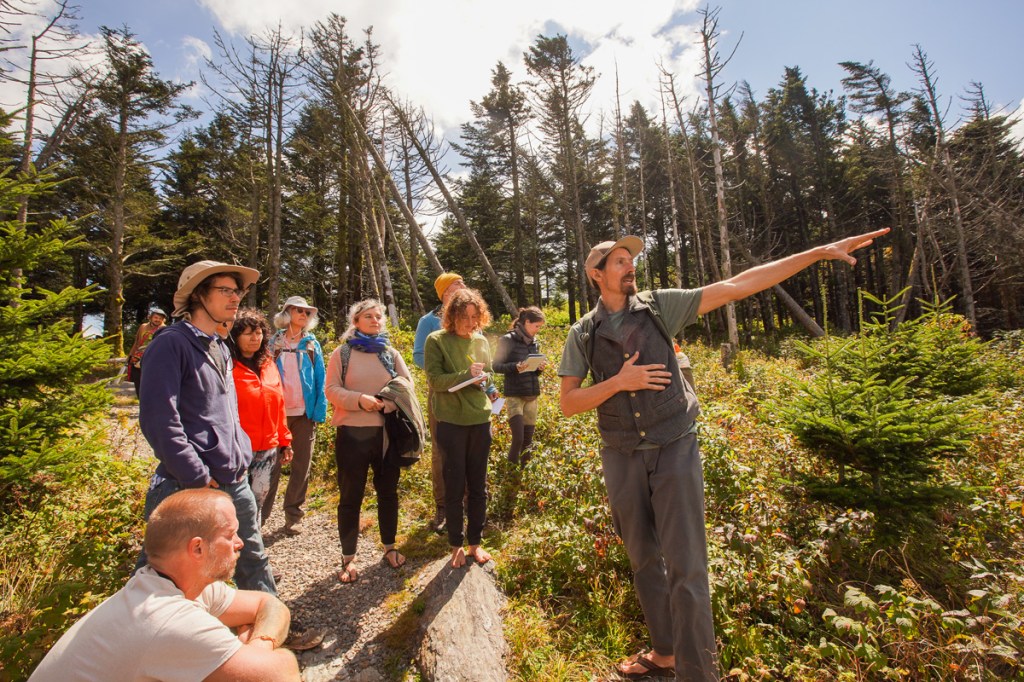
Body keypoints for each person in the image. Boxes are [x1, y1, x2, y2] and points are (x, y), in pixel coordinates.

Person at [558, 229, 889, 681]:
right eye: (618, 261)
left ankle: (699, 674)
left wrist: (814, 253)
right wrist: (619, 382)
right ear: (596, 274)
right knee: (643, 560)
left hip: (674, 446)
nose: (630, 265)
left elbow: (737, 285)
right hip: (621, 454)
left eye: (630, 259)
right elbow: (568, 402)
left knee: (687, 566)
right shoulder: (582, 332)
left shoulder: (659, 306)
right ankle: (665, 653)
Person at [31, 489, 300, 682]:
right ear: (197, 548)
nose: (239, 543)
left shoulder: (165, 586)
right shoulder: (167, 620)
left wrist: (257, 645)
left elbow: (269, 604)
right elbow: (280, 674)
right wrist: (259, 653)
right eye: (230, 535)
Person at [137, 260, 276, 595]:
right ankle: (143, 631)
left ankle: (271, 620)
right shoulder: (170, 343)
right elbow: (159, 419)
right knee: (162, 577)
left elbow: (226, 413)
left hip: (234, 477)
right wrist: (195, 474)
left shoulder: (219, 346)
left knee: (253, 558)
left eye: (237, 291)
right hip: (186, 485)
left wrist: (241, 452)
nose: (235, 298)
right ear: (199, 295)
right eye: (225, 290)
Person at [325, 299, 415, 583]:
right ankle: (348, 557)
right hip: (351, 435)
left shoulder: (390, 353)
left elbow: (407, 386)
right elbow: (331, 390)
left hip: (387, 435)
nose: (375, 320)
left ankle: (390, 547)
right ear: (355, 322)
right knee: (350, 496)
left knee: (388, 492)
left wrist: (387, 404)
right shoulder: (342, 353)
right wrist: (359, 400)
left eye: (378, 316)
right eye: (368, 316)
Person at [423, 287, 500, 568]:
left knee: (478, 485)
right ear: (452, 315)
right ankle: (456, 545)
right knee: (455, 486)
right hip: (451, 422)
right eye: (464, 317)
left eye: (475, 317)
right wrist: (466, 375)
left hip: (480, 420)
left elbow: (488, 373)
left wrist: (488, 385)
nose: (470, 323)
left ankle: (475, 544)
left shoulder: (480, 340)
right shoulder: (437, 340)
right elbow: (435, 380)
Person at [267, 296, 327, 536]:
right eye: (298, 310)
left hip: (304, 414)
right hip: (275, 414)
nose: (303, 315)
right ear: (287, 313)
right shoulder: (273, 343)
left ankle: (293, 516)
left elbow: (320, 378)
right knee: (269, 466)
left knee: (301, 465)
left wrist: (318, 412)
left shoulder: (312, 345)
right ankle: (260, 515)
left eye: (307, 312)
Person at [229, 308, 293, 525]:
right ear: (235, 336)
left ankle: (253, 537)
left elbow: (279, 405)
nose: (255, 338)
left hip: (267, 448)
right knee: (235, 502)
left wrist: (285, 441)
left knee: (258, 498)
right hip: (237, 448)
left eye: (258, 333)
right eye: (248, 333)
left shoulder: (269, 365)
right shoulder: (227, 367)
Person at [414, 273, 467, 533]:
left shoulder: (469, 317)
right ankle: (444, 506)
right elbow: (418, 356)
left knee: (469, 447)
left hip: (470, 393)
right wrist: (446, 371)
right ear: (445, 291)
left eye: (463, 283)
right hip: (442, 393)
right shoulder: (428, 322)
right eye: (457, 284)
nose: (463, 287)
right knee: (441, 448)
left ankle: (469, 503)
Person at [493, 306, 547, 465]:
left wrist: (539, 368)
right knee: (518, 438)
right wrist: (515, 367)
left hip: (531, 395)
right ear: (527, 322)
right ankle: (511, 472)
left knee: (528, 441)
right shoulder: (507, 340)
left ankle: (524, 472)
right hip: (515, 395)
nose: (538, 330)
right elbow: (496, 366)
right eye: (536, 326)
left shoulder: (534, 342)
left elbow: (534, 373)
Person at [125, 307, 167, 397]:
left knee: (152, 381)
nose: (157, 320)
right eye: (156, 317)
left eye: (160, 318)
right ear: (151, 317)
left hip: (154, 358)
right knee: (138, 380)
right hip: (138, 357)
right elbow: (137, 341)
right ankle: (140, 399)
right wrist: (131, 355)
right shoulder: (143, 327)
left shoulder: (164, 329)